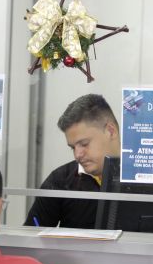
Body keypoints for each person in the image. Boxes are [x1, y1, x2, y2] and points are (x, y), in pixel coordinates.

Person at [25, 94, 120, 228]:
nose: (77, 155)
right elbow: (31, 238)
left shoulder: (145, 176)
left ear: (111, 131)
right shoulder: (59, 181)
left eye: (84, 144)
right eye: (72, 148)